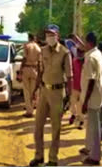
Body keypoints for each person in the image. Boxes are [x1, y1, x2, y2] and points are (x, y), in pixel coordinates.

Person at [29, 24, 73, 166]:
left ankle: (53, 159)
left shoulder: (65, 53)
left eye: (52, 35)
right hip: (44, 91)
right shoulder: (43, 51)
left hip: (57, 93)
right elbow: (40, 72)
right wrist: (34, 90)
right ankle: (39, 156)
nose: (50, 37)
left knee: (56, 127)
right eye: (48, 35)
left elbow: (70, 77)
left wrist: (70, 97)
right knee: (38, 126)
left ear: (58, 36)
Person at [79, 32, 102, 165]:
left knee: (94, 127)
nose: (83, 44)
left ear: (89, 43)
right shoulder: (97, 53)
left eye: (84, 42)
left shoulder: (90, 58)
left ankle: (95, 157)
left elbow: (91, 81)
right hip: (96, 95)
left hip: (92, 97)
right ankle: (89, 147)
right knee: (91, 124)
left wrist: (85, 102)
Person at [19, 33, 41, 118]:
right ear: (34, 38)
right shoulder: (38, 48)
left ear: (29, 38)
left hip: (27, 68)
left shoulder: (27, 46)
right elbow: (40, 61)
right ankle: (34, 108)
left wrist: (21, 69)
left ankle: (29, 111)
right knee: (33, 91)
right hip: (35, 69)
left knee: (27, 91)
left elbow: (24, 58)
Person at [69, 47, 85, 129]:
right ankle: (74, 115)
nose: (80, 54)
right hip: (75, 86)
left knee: (79, 105)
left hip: (80, 87)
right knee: (74, 103)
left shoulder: (84, 62)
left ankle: (79, 120)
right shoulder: (75, 61)